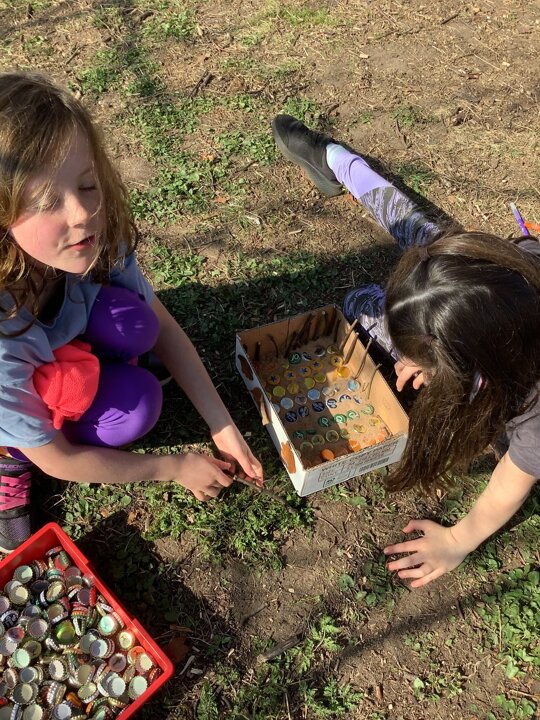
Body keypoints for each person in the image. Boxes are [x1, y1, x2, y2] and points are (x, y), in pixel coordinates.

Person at [272, 114, 539, 588]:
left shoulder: (532, 411)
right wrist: (335, 159)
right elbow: (393, 208)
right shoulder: (494, 269)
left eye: (426, 360)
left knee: (361, 305)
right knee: (377, 284)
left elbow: (509, 482)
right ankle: (331, 158)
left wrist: (457, 539)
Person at [0, 71, 263, 553]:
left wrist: (222, 424)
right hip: (13, 386)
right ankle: (10, 453)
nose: (81, 214)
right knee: (135, 408)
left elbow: (159, 321)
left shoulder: (93, 234)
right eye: (47, 201)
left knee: (138, 323)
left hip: (54, 348)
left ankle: (84, 367)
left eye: (87, 185)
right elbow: (60, 460)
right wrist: (173, 467)